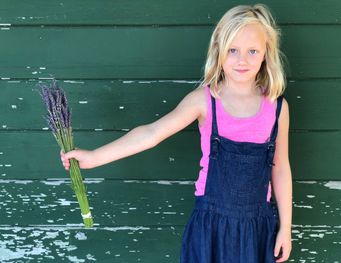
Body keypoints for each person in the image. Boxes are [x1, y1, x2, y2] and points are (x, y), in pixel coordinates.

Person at [61, 3, 292, 262]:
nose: (242, 60)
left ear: (265, 54)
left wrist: (285, 227)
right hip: (209, 228)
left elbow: (280, 167)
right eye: (233, 50)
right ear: (218, 50)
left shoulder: (277, 108)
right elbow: (152, 133)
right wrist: (94, 157)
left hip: (258, 230)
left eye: (252, 51)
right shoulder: (205, 101)